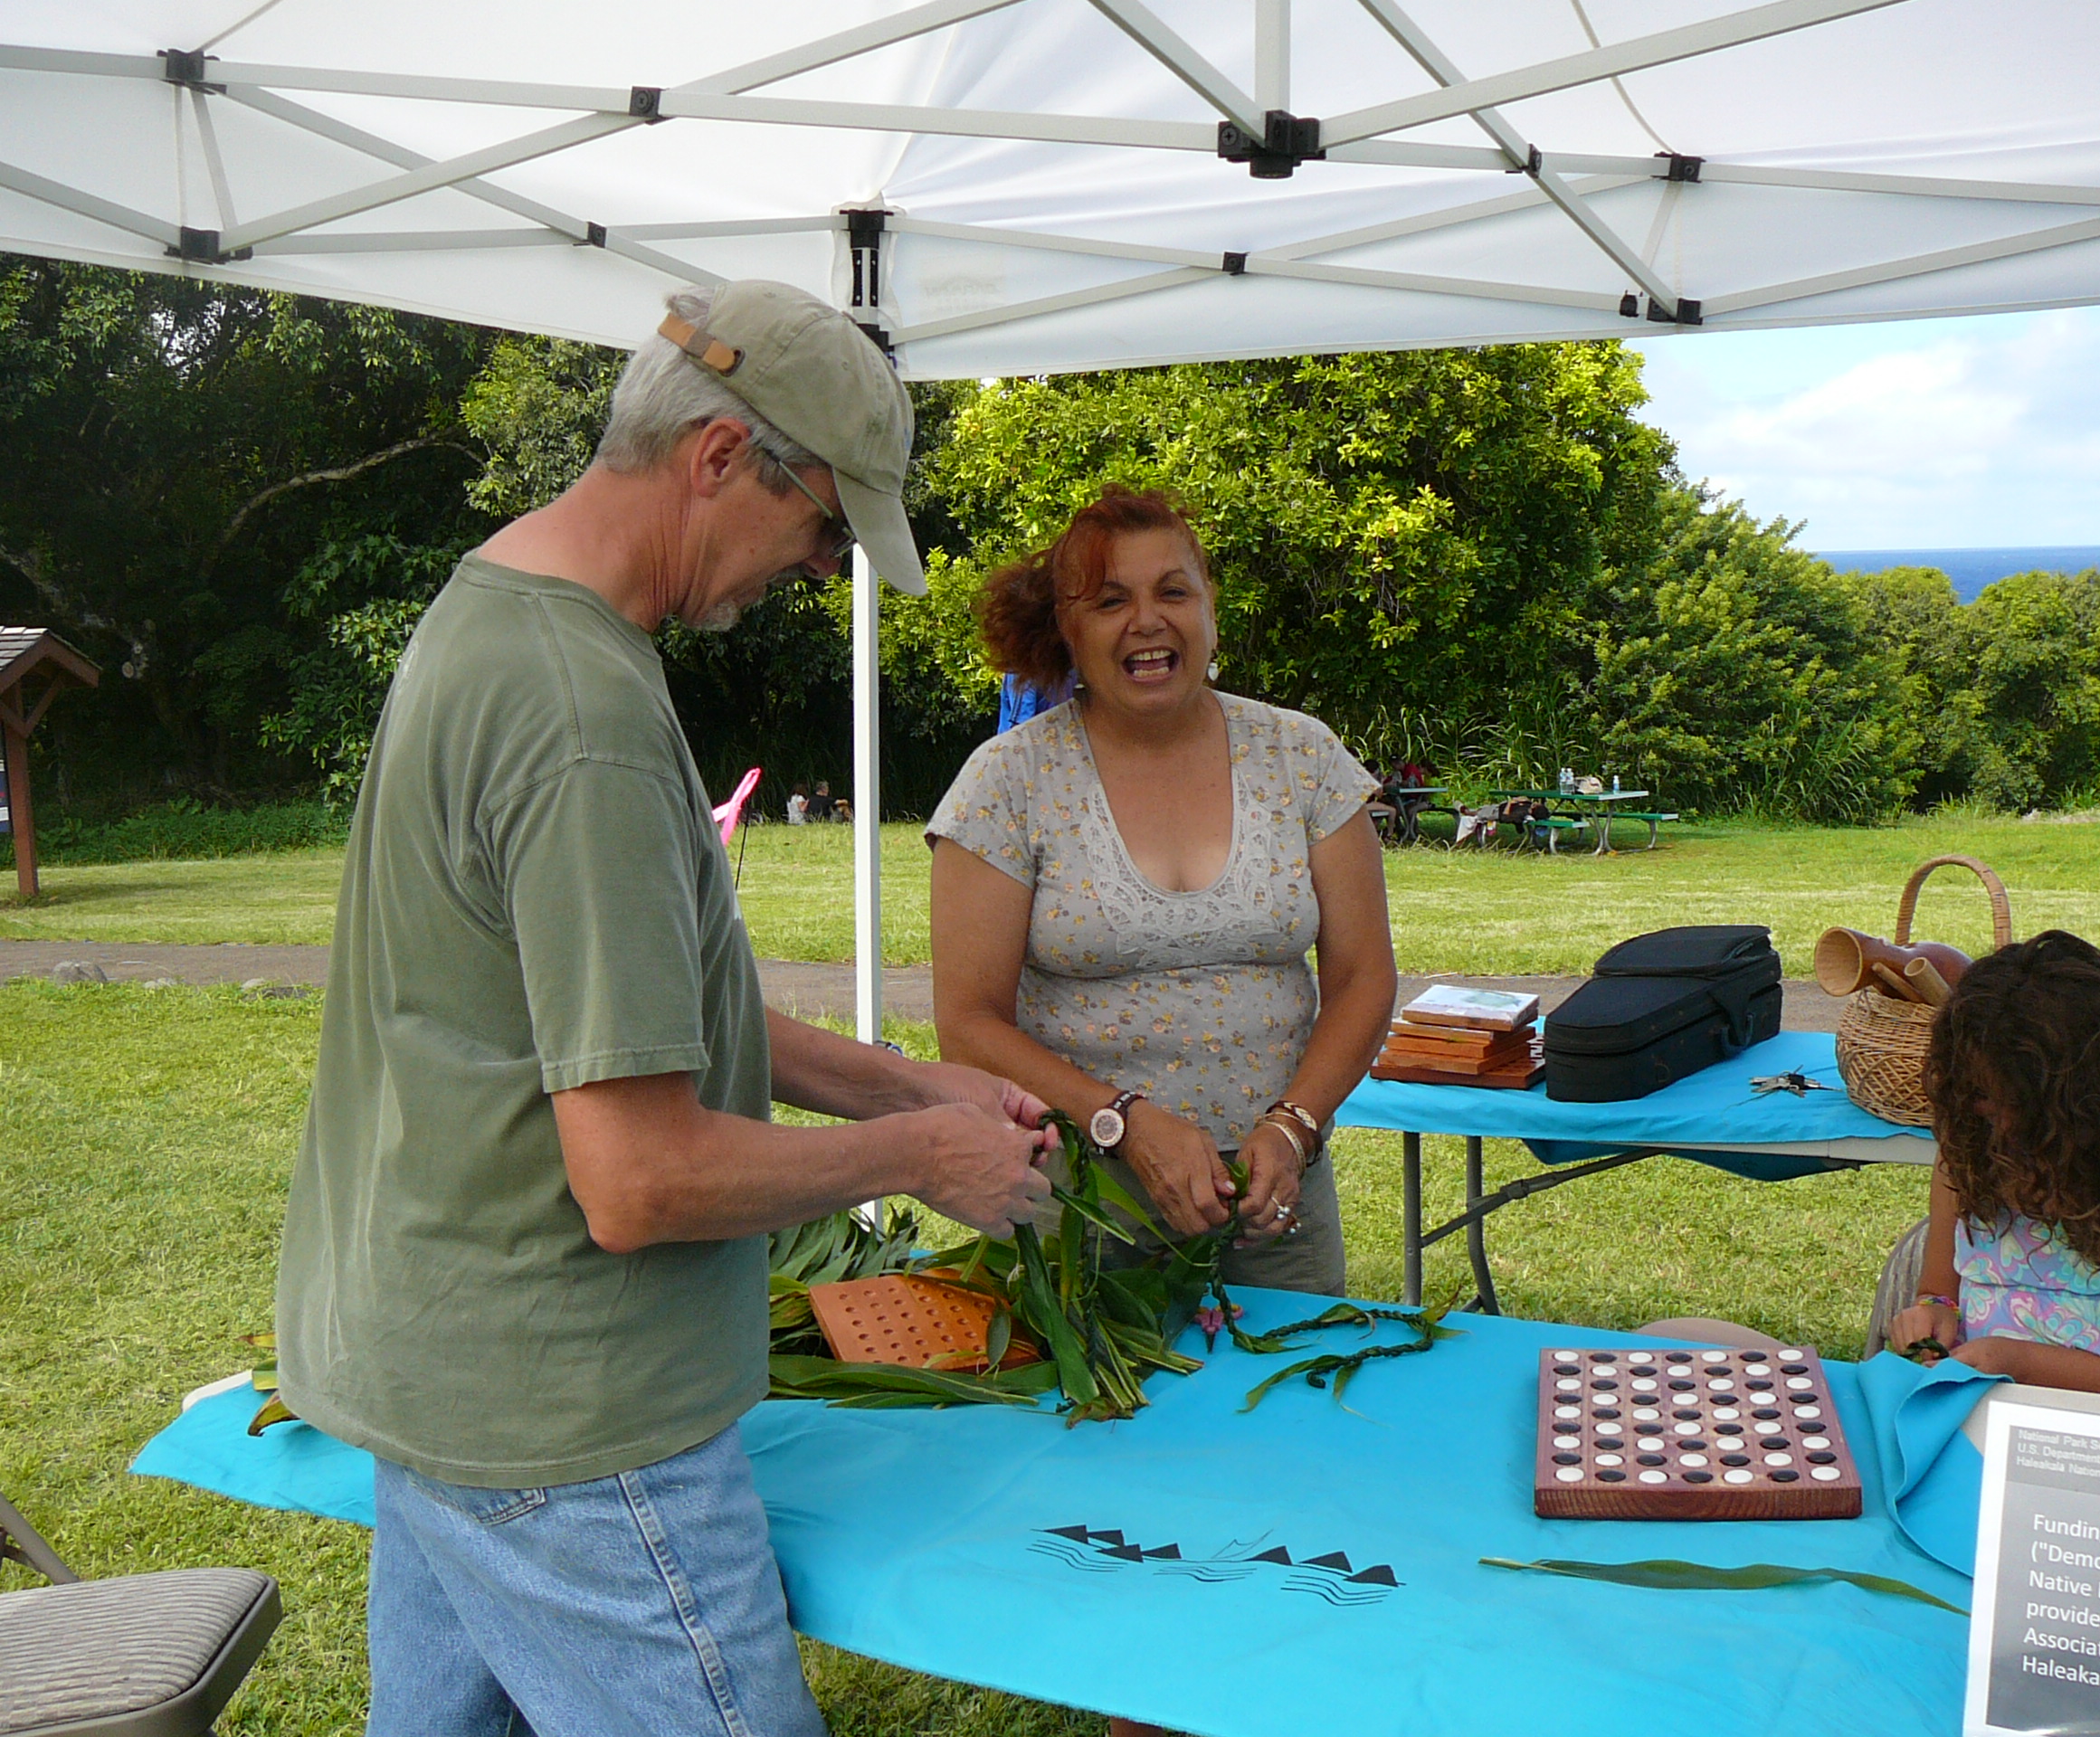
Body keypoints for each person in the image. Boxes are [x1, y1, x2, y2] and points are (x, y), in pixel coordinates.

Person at [273, 281, 1055, 1737]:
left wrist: (908, 1089)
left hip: (439, 1369)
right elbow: (637, 1180)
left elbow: (623, 1021)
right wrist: (926, 1163)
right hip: (569, 1419)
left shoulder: (492, 608)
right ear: (715, 459)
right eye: (827, 529)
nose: (825, 569)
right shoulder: (585, 716)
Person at [926, 485, 1398, 1300]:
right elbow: (966, 1022)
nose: (1147, 621)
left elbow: (1363, 977)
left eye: (1172, 591)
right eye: (1111, 601)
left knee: (1284, 1419)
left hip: (1274, 1203)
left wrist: (1293, 1128)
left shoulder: (1303, 757)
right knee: (1085, 1426)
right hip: (1073, 1209)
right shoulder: (1007, 782)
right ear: (1068, 633)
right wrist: (1120, 1122)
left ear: (1210, 607)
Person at [1884, 930, 2100, 1401]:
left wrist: (2020, 1363)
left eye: (2017, 1102)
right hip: (1976, 1416)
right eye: (1979, 1096)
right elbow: (1941, 1292)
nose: (1995, 1119)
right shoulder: (1965, 1161)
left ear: (2091, 1101)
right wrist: (1932, 1314)